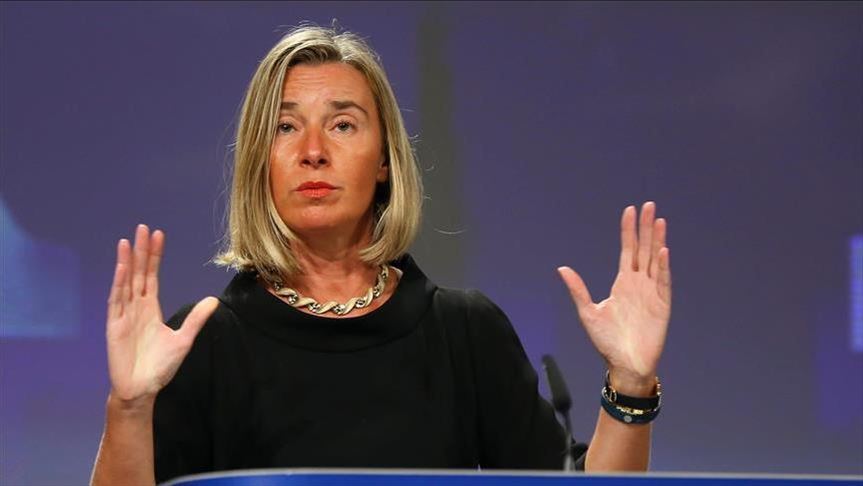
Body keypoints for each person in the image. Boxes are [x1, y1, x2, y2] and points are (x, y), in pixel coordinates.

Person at [90, 25, 671, 485]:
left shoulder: (465, 333)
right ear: (258, 164)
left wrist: (630, 382)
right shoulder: (202, 344)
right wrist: (130, 408)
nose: (313, 151)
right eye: (285, 127)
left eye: (342, 125)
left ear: (386, 160)